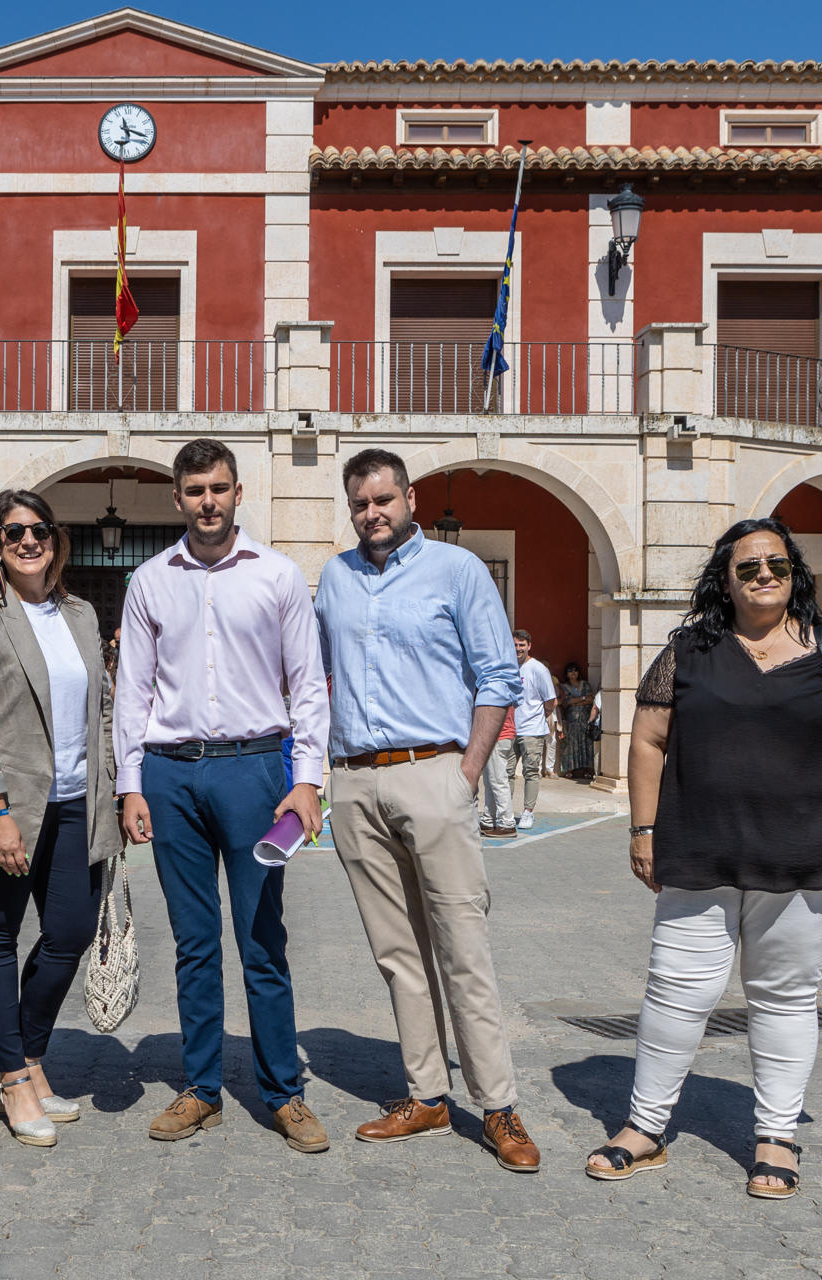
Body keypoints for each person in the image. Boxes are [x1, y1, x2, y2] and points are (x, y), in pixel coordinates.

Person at [585, 517, 822, 1199]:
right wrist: (643, 830)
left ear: (796, 576)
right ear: (724, 580)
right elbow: (647, 740)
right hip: (700, 847)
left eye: (778, 566)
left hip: (811, 856)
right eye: (748, 567)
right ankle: (643, 1129)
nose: (764, 576)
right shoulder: (687, 651)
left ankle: (776, 1137)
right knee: (676, 991)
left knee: (785, 995)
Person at [315, 449, 541, 1173]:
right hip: (355, 781)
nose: (372, 515)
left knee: (462, 947)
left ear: (409, 497)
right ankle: (427, 1095)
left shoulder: (459, 571)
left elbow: (497, 675)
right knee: (396, 954)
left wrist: (467, 772)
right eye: (360, 505)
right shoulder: (335, 579)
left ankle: (500, 1105)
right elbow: (315, 674)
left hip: (433, 772)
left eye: (383, 500)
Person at [114, 438, 332, 1154]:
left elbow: (307, 687)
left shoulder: (278, 577)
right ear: (177, 499)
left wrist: (307, 780)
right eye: (195, 490)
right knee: (194, 941)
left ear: (239, 493)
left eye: (219, 488)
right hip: (172, 774)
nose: (207, 501)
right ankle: (202, 1088)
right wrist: (130, 783)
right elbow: (133, 692)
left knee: (262, 939)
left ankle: (283, 1093)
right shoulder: (149, 580)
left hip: (255, 772)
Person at [0, 490, 122, 1148]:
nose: (28, 540)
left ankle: (30, 1055)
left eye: (39, 529)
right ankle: (11, 1076)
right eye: (13, 531)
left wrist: (116, 791)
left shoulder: (77, 613)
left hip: (75, 805)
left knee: (69, 932)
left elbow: (100, 713)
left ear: (55, 537)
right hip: (7, 812)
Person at [508, 629, 559, 828]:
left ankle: (528, 812)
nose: (518, 649)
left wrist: (539, 718)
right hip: (510, 729)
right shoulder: (508, 667)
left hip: (531, 730)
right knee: (506, 772)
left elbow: (551, 701)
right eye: (515, 645)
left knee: (531, 772)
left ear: (529, 646)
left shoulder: (538, 669)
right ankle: (505, 811)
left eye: (522, 645)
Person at [479, 706, 518, 838]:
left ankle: (507, 823)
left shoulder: (497, 686)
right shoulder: (507, 687)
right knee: (490, 781)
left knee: (498, 781)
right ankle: (488, 820)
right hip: (501, 735)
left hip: (498, 735)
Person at [558, 661, 598, 783]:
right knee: (571, 745)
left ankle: (587, 770)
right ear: (566, 674)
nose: (573, 673)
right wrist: (583, 699)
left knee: (586, 744)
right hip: (571, 720)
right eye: (570, 671)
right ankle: (569, 769)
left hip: (585, 719)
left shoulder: (585, 684)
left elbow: (591, 699)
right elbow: (567, 702)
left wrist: (578, 700)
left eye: (575, 670)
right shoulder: (563, 687)